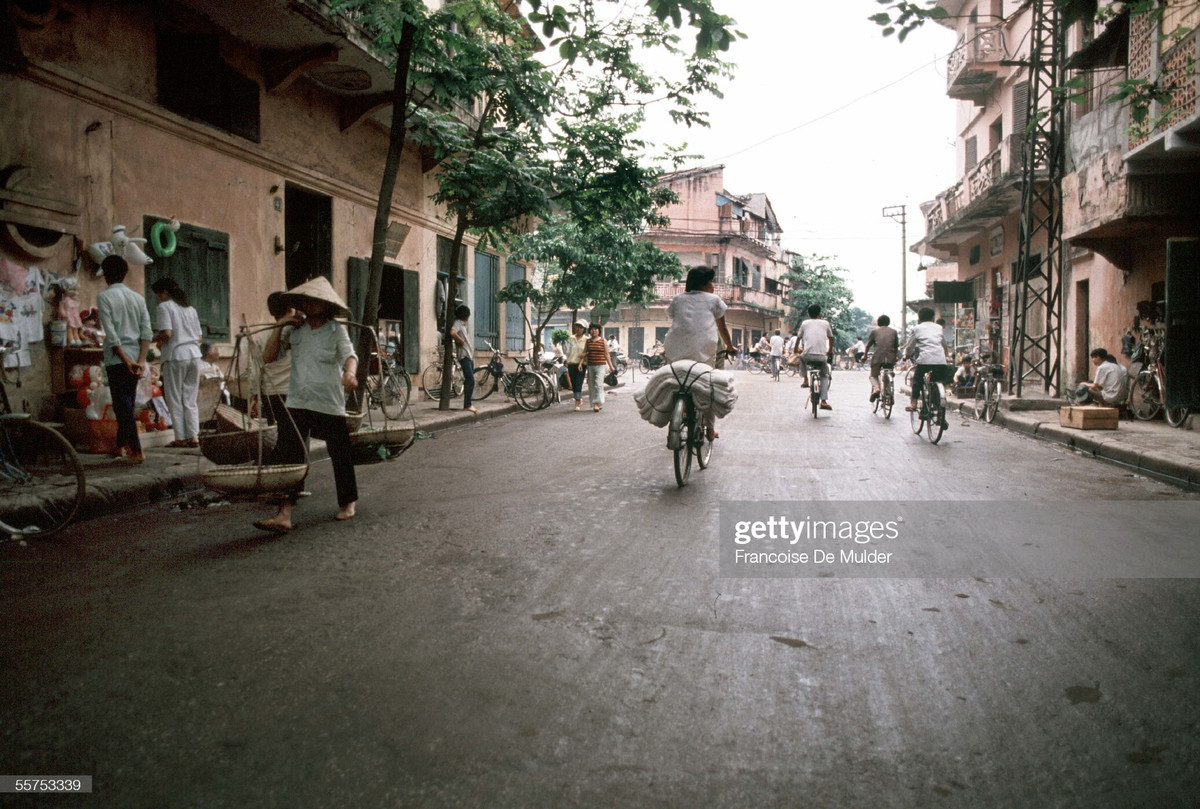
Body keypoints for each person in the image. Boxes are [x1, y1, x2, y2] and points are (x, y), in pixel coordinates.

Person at [254, 276, 358, 533]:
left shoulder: (336, 330)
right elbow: (269, 357)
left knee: (340, 452)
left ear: (326, 304)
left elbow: (349, 355)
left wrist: (350, 373)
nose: (309, 304)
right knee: (291, 456)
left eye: (315, 300)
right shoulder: (295, 330)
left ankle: (348, 502)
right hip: (298, 400)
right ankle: (284, 513)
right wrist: (281, 325)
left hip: (328, 401)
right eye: (306, 300)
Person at [663, 265, 735, 439]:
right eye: (711, 281)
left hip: (675, 348)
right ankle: (710, 430)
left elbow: (675, 318)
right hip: (705, 350)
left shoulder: (678, 299)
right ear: (704, 283)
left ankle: (675, 418)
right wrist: (730, 347)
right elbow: (723, 329)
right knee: (710, 387)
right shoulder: (714, 300)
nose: (713, 285)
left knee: (675, 383)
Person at [96, 255, 153, 463]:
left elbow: (111, 335)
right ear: (124, 274)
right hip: (135, 357)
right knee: (126, 404)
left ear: (106, 275)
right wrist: (140, 360)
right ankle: (120, 445)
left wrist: (126, 360)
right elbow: (146, 332)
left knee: (123, 406)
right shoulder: (138, 298)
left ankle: (136, 450)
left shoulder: (104, 297)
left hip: (117, 359)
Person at [151, 277, 203, 448]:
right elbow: (199, 337)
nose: (158, 298)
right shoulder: (190, 309)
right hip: (194, 354)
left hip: (176, 355)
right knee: (190, 398)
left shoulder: (165, 307)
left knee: (174, 398)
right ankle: (193, 436)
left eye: (158, 294)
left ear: (165, 292)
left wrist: (152, 339)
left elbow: (167, 333)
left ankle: (180, 437)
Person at [904, 306, 952, 422]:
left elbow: (910, 346)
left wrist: (907, 355)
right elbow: (944, 344)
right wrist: (946, 354)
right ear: (932, 318)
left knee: (917, 380)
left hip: (925, 361)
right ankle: (939, 409)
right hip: (940, 361)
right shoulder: (938, 328)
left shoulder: (916, 329)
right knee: (937, 381)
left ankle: (914, 403)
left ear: (919, 318)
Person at [798, 304, 835, 410]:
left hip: (807, 356)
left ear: (809, 314)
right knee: (824, 375)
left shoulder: (805, 323)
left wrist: (796, 349)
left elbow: (799, 337)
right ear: (820, 313)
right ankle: (823, 401)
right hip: (822, 357)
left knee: (801, 357)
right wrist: (829, 351)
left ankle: (805, 380)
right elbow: (831, 338)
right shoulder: (825, 323)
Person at [448, 304, 476, 414]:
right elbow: (452, 332)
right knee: (470, 379)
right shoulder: (458, 323)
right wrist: (460, 340)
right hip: (464, 355)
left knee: (470, 379)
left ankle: (468, 403)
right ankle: (467, 404)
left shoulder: (463, 325)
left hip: (468, 355)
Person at [863, 314, 899, 402]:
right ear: (888, 322)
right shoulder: (894, 332)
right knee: (889, 372)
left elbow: (868, 345)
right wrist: (895, 357)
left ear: (878, 323)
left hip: (878, 357)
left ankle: (877, 389)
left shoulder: (874, 332)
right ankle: (889, 392)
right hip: (890, 358)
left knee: (873, 375)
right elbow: (896, 347)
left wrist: (865, 356)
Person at [584, 322, 614, 412]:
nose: (593, 331)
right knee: (592, 385)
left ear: (599, 331)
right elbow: (585, 353)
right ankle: (595, 403)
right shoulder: (588, 341)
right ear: (589, 331)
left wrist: (611, 366)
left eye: (595, 329)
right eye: (592, 329)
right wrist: (581, 363)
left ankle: (597, 403)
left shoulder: (603, 341)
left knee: (598, 384)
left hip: (601, 365)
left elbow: (607, 354)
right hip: (590, 365)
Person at [565, 320, 588, 411]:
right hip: (571, 363)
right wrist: (563, 343)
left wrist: (584, 356)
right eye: (577, 327)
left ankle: (577, 402)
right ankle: (579, 398)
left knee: (578, 382)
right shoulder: (570, 338)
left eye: (581, 327)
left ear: (584, 329)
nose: (578, 329)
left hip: (581, 364)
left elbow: (587, 351)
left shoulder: (586, 340)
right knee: (574, 383)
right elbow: (567, 351)